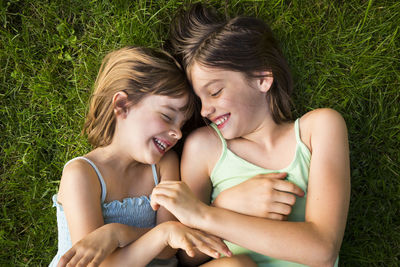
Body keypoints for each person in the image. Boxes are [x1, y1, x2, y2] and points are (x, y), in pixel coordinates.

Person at [150, 3, 350, 267]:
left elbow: (322, 250)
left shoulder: (319, 129)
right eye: (200, 100)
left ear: (261, 77)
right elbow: (190, 257)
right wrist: (226, 205)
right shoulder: (204, 146)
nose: (206, 110)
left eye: (216, 91)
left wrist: (205, 215)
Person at [49, 46, 232, 267]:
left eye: (182, 124)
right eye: (167, 116)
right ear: (122, 105)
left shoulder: (165, 165)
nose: (178, 133)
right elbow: (100, 265)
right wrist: (164, 233)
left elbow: (167, 250)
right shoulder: (82, 174)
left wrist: (117, 234)